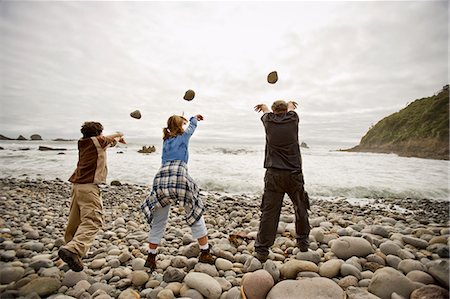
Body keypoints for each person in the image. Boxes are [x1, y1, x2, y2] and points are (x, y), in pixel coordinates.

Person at [140, 114, 215, 271]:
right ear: (181, 125)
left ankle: (151, 256)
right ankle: (205, 252)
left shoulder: (165, 140)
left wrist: (180, 121)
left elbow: (178, 128)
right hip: (179, 176)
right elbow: (192, 126)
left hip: (160, 178)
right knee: (194, 211)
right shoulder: (184, 136)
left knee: (159, 220)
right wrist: (193, 118)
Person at [58, 121, 125, 272]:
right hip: (89, 187)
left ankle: (70, 248)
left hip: (77, 186)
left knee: (75, 220)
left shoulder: (84, 142)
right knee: (93, 220)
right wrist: (119, 134)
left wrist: (115, 141)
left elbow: (108, 143)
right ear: (98, 133)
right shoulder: (98, 141)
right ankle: (74, 249)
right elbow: (109, 138)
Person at [253, 100, 311, 262]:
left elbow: (265, 111)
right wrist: (291, 103)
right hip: (294, 174)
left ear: (273, 110)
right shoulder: (293, 118)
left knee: (269, 212)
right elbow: (290, 108)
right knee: (300, 207)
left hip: (274, 175)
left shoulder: (268, 121)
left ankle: (263, 249)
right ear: (287, 110)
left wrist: (264, 107)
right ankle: (303, 241)